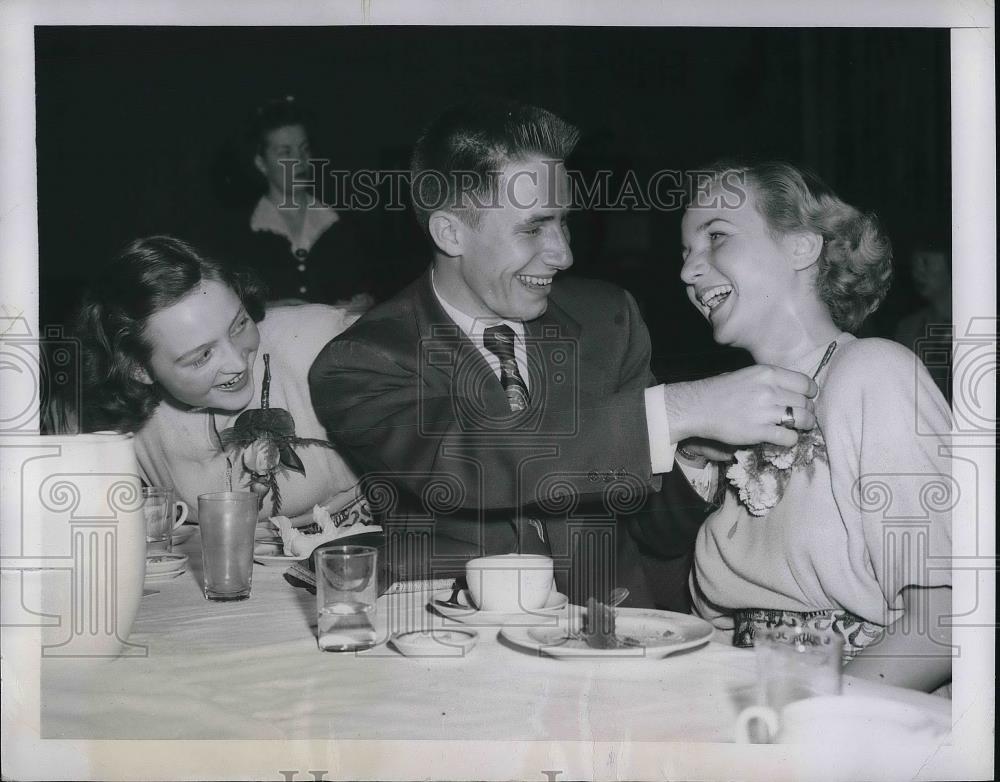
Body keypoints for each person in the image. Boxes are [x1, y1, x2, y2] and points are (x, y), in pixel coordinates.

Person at [307, 100, 820, 607]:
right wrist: (678, 409)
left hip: (614, 646)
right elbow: (470, 459)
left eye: (563, 223)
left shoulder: (608, 320)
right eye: (533, 227)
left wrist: (683, 455)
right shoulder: (361, 360)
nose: (563, 253)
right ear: (450, 232)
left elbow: (657, 533)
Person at [680, 161, 952, 691]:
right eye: (686, 252)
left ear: (802, 247)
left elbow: (939, 625)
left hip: (858, 717)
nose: (689, 270)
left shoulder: (874, 373)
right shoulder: (734, 411)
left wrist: (816, 726)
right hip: (745, 702)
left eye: (715, 236)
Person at [76, 235, 375, 529]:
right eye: (202, 356)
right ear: (139, 369)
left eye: (239, 325)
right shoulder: (116, 426)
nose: (236, 363)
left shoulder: (326, 346)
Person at [209, 97, 375, 308]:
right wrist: (269, 309)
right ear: (261, 163)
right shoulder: (238, 234)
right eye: (285, 152)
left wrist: (366, 303)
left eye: (304, 149)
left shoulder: (343, 222)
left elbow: (373, 291)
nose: (300, 160)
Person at [894, 245, 952, 402]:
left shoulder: (980, 323)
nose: (917, 273)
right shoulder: (909, 327)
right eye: (914, 264)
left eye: (925, 262)